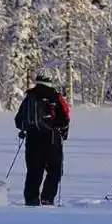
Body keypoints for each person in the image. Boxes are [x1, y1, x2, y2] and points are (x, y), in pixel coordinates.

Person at [14, 69, 71, 206]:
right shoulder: (55, 96)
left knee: (34, 170)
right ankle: (47, 198)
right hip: (52, 139)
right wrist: (63, 132)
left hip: (32, 139)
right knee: (55, 170)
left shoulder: (30, 97)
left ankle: (31, 199)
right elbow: (65, 118)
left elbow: (18, 120)